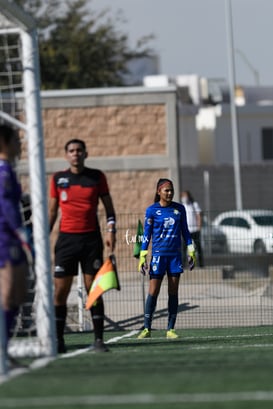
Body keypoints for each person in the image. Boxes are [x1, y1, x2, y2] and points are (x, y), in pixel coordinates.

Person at [49, 139, 116, 353]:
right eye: (71, 151)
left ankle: (98, 340)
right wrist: (42, 236)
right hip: (66, 241)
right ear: (66, 155)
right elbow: (52, 211)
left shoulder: (97, 177)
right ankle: (58, 341)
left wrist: (111, 230)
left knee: (93, 290)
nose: (75, 154)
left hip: (91, 241)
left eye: (79, 150)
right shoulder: (58, 179)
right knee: (60, 291)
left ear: (86, 153)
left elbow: (109, 210)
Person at [137, 178, 196, 339]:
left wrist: (191, 251)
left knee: (173, 292)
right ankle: (147, 328)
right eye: (166, 190)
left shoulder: (179, 209)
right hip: (158, 257)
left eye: (171, 190)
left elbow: (185, 232)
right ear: (159, 192)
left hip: (175, 257)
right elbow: (147, 235)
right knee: (153, 291)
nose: (170, 193)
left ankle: (170, 329)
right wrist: (143, 256)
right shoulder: (151, 211)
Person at [0, 124, 30, 357]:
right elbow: (7, 205)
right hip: (4, 239)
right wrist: (22, 232)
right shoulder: (2, 171)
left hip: (12, 239)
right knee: (9, 293)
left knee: (19, 293)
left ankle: (5, 350)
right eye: (16, 140)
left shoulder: (9, 169)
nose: (19, 145)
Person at [181, 190, 204, 267]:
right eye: (183, 196)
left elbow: (199, 215)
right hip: (186, 230)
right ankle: (183, 265)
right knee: (184, 248)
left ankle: (201, 264)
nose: (184, 198)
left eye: (186, 196)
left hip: (195, 230)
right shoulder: (182, 206)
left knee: (198, 247)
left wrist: (199, 227)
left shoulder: (194, 205)